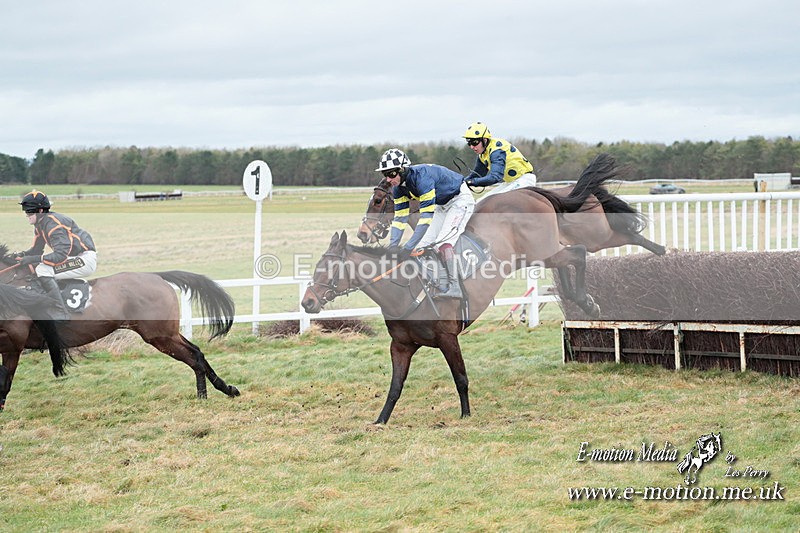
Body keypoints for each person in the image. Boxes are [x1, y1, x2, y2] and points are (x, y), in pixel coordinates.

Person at [376, 148, 475, 299]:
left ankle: (455, 287)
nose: (388, 179)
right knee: (421, 247)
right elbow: (400, 219)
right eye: (385, 175)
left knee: (443, 243)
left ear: (402, 170)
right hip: (441, 205)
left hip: (460, 200)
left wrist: (407, 247)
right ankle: (436, 281)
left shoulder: (422, 178)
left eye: (391, 174)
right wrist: (393, 247)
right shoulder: (398, 189)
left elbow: (426, 218)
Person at [14, 190, 97, 319]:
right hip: (74, 258)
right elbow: (36, 250)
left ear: (40, 211)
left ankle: (60, 311)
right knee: (37, 266)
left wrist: (32, 259)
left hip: (83, 260)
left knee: (42, 269)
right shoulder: (41, 224)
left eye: (29, 211)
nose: (26, 215)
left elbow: (60, 256)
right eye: (25, 211)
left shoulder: (53, 224)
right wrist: (20, 256)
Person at [462, 122, 537, 201]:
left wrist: (471, 182)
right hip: (510, 182)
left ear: (484, 140)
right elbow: (477, 175)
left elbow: (495, 177)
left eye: (475, 142)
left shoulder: (497, 151)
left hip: (524, 180)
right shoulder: (483, 154)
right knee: (480, 202)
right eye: (469, 143)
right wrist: (462, 182)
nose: (472, 147)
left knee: (497, 202)